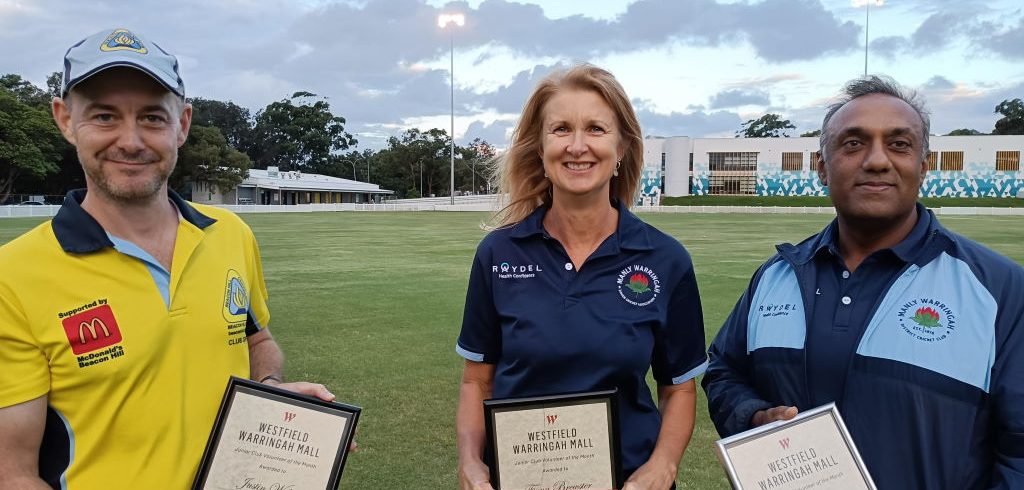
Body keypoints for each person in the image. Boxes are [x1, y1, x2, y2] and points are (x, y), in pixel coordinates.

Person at [0, 28, 336, 488]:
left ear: (182, 124)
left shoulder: (230, 234)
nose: (131, 140)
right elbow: (13, 473)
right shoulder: (12, 276)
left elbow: (257, 341)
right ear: (64, 119)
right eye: (104, 116)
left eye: (153, 118)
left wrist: (271, 392)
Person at [702, 75, 1024, 489]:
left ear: (923, 166)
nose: (876, 160)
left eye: (899, 144)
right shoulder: (776, 275)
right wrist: (754, 416)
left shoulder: (1000, 289)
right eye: (853, 143)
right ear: (822, 167)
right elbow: (724, 371)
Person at [455, 64, 707, 490]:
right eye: (560, 129)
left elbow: (678, 388)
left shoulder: (666, 259)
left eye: (595, 128)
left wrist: (663, 464)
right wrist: (470, 461)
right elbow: (477, 380)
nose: (577, 146)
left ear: (622, 146)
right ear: (539, 147)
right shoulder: (498, 254)